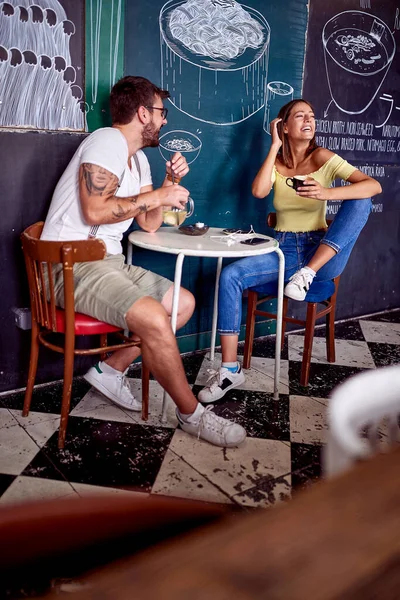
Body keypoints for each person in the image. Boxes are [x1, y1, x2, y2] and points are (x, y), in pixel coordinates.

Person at [41, 75, 246, 448]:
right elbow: (94, 209)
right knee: (154, 316)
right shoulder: (107, 141)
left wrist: (166, 185)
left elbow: (150, 224)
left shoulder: (139, 163)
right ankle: (192, 415)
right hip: (71, 265)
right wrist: (157, 197)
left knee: (182, 303)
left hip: (108, 263)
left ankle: (111, 369)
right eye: (160, 112)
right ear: (141, 112)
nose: (164, 120)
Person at [198, 98, 382, 403]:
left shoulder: (323, 157)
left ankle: (306, 275)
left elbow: (373, 186)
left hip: (321, 253)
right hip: (283, 250)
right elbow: (259, 191)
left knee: (361, 200)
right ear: (284, 127)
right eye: (300, 116)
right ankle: (230, 369)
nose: (309, 120)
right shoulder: (278, 162)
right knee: (230, 276)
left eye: (311, 115)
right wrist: (274, 147)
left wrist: (327, 192)